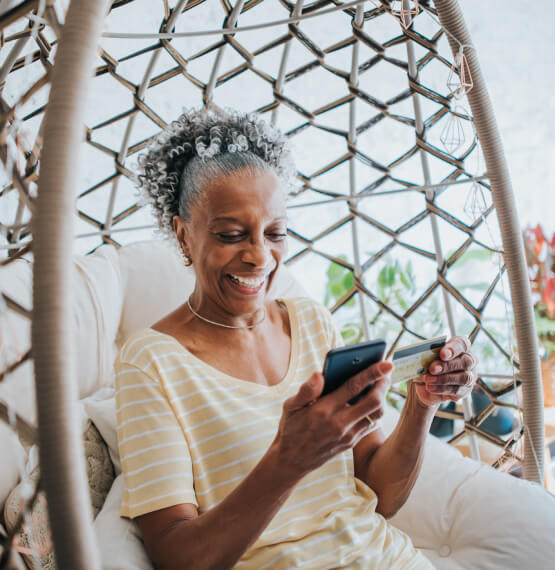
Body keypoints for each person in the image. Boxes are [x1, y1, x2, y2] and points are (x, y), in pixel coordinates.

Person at [114, 107, 477, 569]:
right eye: (230, 234)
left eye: (276, 233)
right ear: (183, 237)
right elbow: (179, 558)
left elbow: (380, 496)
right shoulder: (149, 363)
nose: (259, 256)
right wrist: (289, 460)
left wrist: (421, 404)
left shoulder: (309, 321)